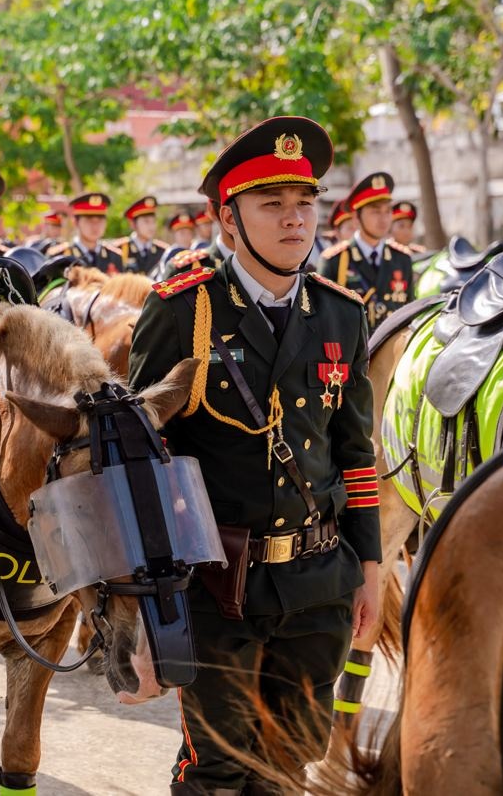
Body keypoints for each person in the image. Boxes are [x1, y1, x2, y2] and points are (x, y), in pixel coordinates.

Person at [128, 116, 381, 794]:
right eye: (272, 204)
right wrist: (147, 610)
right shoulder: (184, 310)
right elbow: (138, 466)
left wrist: (373, 566)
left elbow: (356, 453)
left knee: (289, 760)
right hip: (217, 584)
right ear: (229, 220)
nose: (294, 219)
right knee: (218, 766)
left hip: (320, 582)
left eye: (305, 203)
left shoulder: (342, 313)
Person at [319, 172, 415, 330]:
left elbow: (409, 314)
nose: (383, 219)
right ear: (356, 217)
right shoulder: (335, 260)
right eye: (375, 211)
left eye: (387, 211)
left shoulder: (402, 259)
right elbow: (325, 321)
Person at [45, 192, 124, 273]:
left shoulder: (115, 256)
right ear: (75, 222)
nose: (95, 226)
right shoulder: (60, 256)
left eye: (100, 220)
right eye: (89, 220)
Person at [113, 195, 170, 275]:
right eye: (146, 221)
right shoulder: (119, 249)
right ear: (133, 224)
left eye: (153, 221)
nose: (151, 226)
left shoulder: (164, 251)